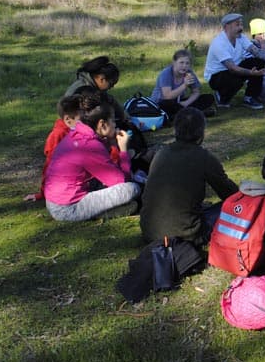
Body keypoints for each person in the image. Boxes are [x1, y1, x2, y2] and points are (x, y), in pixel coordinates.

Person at [139, 107, 238, 246]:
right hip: (186, 235)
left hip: (149, 232)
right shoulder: (203, 157)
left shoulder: (161, 153)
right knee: (232, 210)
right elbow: (230, 194)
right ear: (201, 133)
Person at [43, 95, 141, 222]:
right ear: (102, 124)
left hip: (56, 201)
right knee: (132, 188)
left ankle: (117, 208)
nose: (115, 125)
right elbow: (123, 181)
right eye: (113, 121)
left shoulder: (79, 134)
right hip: (68, 208)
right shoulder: (90, 145)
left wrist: (110, 143)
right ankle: (101, 212)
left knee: (110, 185)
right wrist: (123, 150)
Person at [24, 93, 85, 202]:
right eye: (82, 118)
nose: (86, 122)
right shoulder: (58, 136)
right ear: (68, 119)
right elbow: (50, 167)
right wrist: (43, 193)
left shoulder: (77, 130)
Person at [203, 13, 265, 110]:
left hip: (234, 69)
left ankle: (250, 97)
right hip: (216, 77)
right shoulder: (219, 43)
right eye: (237, 25)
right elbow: (232, 68)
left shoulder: (241, 37)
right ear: (227, 27)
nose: (241, 28)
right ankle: (222, 97)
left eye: (241, 24)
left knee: (259, 61)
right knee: (236, 80)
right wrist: (251, 73)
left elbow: (257, 52)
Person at [151, 49, 216, 119]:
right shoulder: (166, 73)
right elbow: (167, 96)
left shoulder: (189, 73)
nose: (184, 66)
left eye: (187, 63)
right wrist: (184, 85)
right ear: (174, 62)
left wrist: (186, 103)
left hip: (179, 103)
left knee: (208, 98)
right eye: (181, 63)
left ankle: (184, 114)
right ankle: (196, 113)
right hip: (161, 103)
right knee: (166, 104)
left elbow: (196, 92)